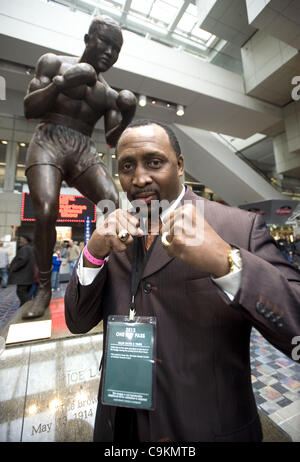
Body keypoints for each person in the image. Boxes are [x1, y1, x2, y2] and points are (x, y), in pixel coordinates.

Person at [65, 119, 300, 442]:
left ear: (179, 166)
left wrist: (227, 262)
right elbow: (77, 322)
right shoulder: (113, 233)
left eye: (154, 162)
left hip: (205, 427)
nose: (139, 178)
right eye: (127, 166)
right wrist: (93, 253)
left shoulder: (236, 227)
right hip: (121, 423)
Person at [22, 15, 136, 319]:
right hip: (48, 138)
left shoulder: (109, 94)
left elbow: (113, 140)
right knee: (46, 209)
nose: (110, 52)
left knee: (114, 205)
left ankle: (114, 276)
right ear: (88, 39)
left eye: (117, 49)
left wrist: (127, 114)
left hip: (83, 148)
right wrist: (61, 83)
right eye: (105, 42)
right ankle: (44, 289)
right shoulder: (52, 63)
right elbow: (29, 108)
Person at [9, 236, 35, 307]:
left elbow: (22, 260)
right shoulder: (30, 248)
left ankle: (28, 307)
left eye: (20, 239)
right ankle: (23, 308)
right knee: (25, 292)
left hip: (24, 275)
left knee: (21, 292)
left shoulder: (25, 249)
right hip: (28, 275)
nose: (19, 240)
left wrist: (13, 267)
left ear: (25, 240)